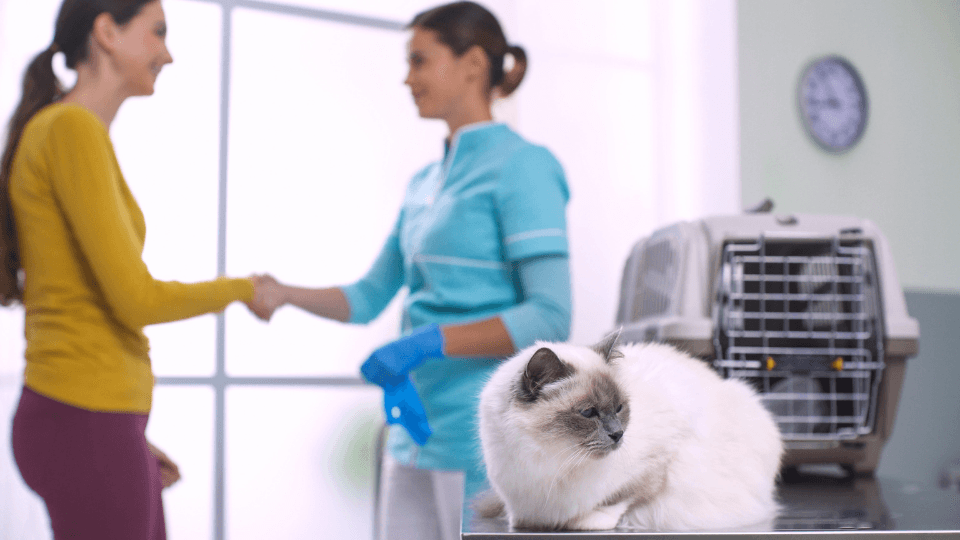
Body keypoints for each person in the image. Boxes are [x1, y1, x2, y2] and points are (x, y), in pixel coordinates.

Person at [257, 2, 572, 538]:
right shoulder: (424, 183)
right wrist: (283, 293)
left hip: (486, 440)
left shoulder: (524, 167)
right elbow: (369, 296)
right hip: (413, 435)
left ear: (473, 64)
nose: (407, 78)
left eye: (420, 60)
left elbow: (549, 317)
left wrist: (429, 341)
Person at [0, 1, 275, 538]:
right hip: (82, 418)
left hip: (91, 419)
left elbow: (87, 301)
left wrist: (128, 438)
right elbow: (135, 300)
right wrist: (244, 289)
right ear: (106, 32)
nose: (167, 54)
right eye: (157, 33)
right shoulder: (70, 130)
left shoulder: (71, 131)